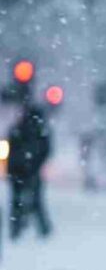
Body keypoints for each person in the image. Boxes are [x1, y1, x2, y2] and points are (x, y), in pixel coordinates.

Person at [7, 95, 53, 240]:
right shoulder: (39, 131)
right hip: (30, 170)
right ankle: (43, 229)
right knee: (36, 201)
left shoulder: (18, 129)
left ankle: (16, 229)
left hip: (18, 171)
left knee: (17, 201)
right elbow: (46, 150)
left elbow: (12, 149)